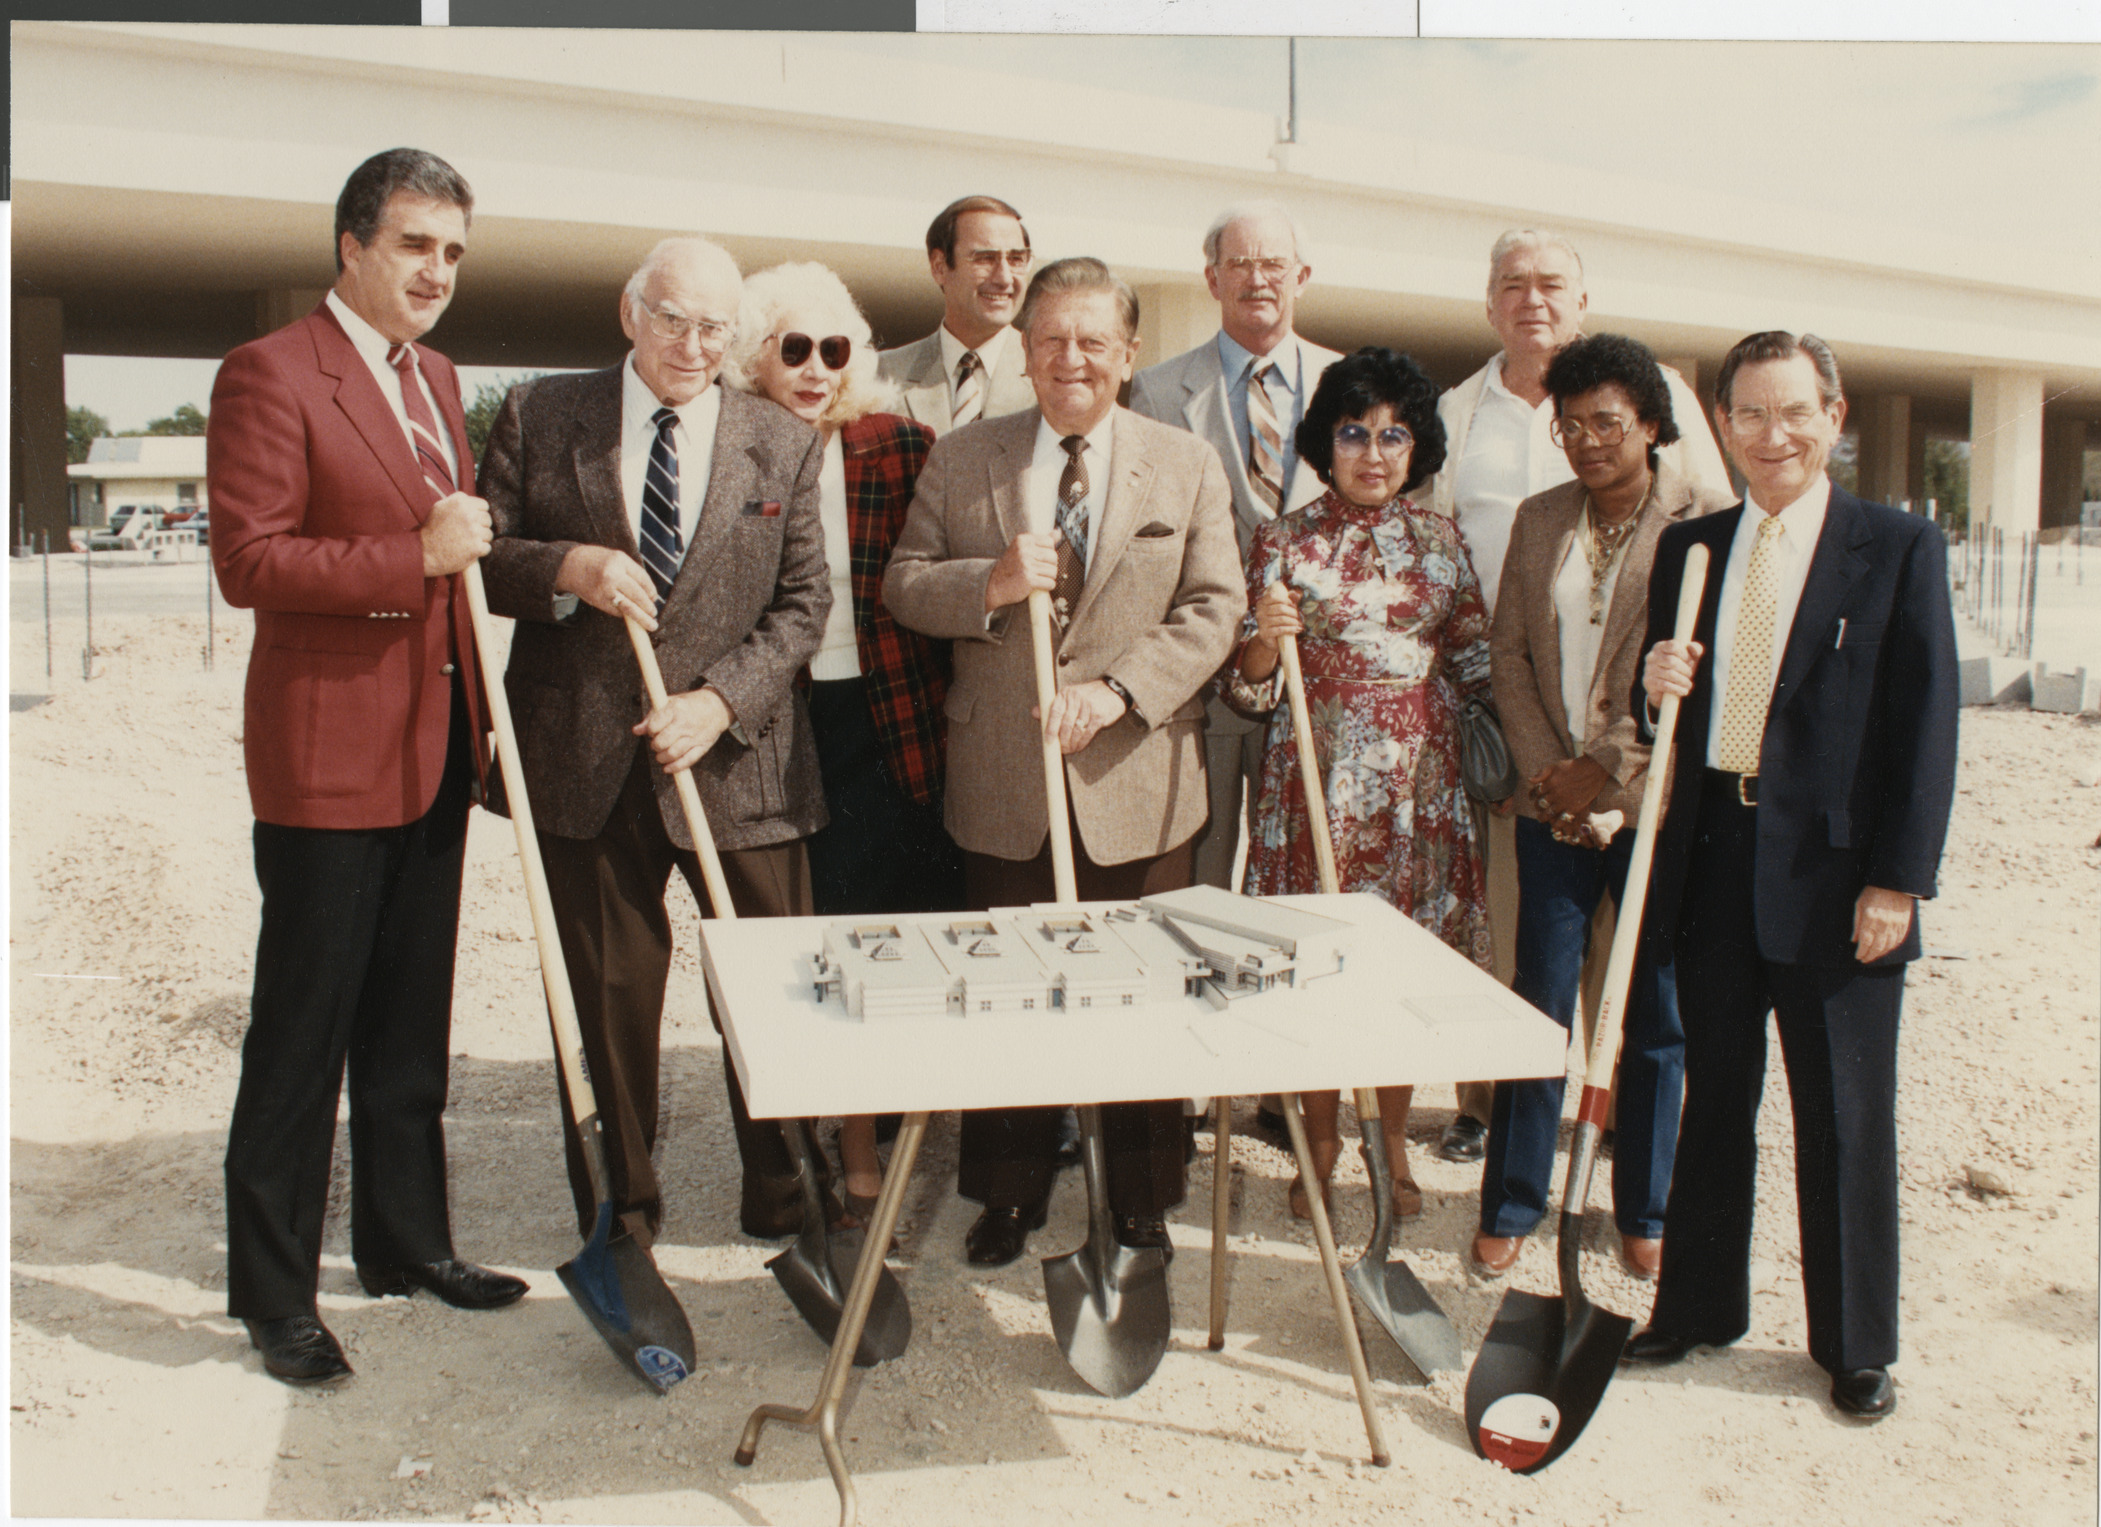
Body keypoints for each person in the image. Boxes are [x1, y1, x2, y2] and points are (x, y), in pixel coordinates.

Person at [209, 148, 524, 1387]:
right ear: (350, 247)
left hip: (433, 754)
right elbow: (252, 561)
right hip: (327, 764)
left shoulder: (439, 378)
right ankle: (275, 1294)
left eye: (451, 251)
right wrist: (418, 555)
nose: (435, 272)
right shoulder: (270, 373)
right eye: (413, 245)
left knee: (409, 1029)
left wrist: (479, 732)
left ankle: (407, 1245)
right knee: (302, 1038)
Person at [883, 256, 1245, 1266]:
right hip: (1004, 783)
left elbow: (1215, 607)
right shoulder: (965, 458)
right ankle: (1007, 1193)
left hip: (1138, 784)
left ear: (1129, 355)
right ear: (1023, 350)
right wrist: (991, 584)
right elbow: (905, 586)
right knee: (1008, 995)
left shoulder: (1185, 463)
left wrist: (1120, 690)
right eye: (1049, 340)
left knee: (1138, 998)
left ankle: (1135, 1199)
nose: (1069, 359)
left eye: (1093, 340)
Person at [1627, 331, 1958, 1421]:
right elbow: (1666, 717)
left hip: (1837, 880)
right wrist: (1651, 683)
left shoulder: (1896, 547)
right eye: (1751, 416)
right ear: (1722, 424)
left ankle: (1855, 1344)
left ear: (1836, 416)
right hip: (1715, 860)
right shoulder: (1692, 548)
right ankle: (1696, 1308)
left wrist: (1898, 882)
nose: (1774, 437)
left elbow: (1924, 727)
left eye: (1795, 413)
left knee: (1844, 1115)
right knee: (1712, 1099)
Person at [478, 236, 830, 1249]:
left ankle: (783, 1196)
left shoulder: (783, 439)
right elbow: (482, 558)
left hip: (739, 766)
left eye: (715, 327)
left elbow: (804, 606)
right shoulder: (542, 416)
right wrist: (570, 567)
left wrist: (720, 700)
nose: (692, 344)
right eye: (672, 318)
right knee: (608, 1001)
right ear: (630, 312)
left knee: (770, 996)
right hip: (586, 764)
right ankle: (620, 1211)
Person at [1424, 228, 1731, 1167]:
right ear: (1487, 304)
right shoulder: (1458, 409)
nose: (1533, 300)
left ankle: (1619, 1131)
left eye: (1552, 284)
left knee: (1632, 964)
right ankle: (1490, 1110)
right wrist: (1543, 758)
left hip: (1637, 742)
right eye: (1511, 285)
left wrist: (1609, 759)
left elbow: (1705, 571)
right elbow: (1447, 557)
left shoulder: (1658, 393)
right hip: (1511, 725)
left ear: (1583, 300)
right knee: (1521, 942)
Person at [1471, 333, 1733, 1280]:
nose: (1586, 441)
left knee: (1652, 1012)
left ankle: (1646, 1208)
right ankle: (1511, 1200)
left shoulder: (1704, 521)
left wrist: (1606, 766)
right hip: (1553, 807)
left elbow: (1694, 670)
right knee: (1539, 1001)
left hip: (1652, 802)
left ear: (1653, 427)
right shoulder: (1542, 519)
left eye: (1606, 423)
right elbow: (1508, 652)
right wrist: (1552, 774)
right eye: (1569, 423)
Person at [1222, 347, 1489, 1220]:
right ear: (1323, 442)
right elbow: (1249, 690)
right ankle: (1318, 1148)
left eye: (1392, 435)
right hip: (1315, 786)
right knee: (1320, 973)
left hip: (1419, 790)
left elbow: (1476, 662)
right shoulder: (1283, 541)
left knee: (1398, 973)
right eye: (1353, 433)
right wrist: (1263, 636)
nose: (1373, 453)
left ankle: (1389, 1154)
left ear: (1416, 448)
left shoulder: (1444, 544)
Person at [721, 260, 963, 1222]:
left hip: (883, 717)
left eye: (833, 349)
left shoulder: (899, 443)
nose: (815, 368)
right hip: (773, 724)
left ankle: (867, 1142)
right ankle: (818, 1144)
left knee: (877, 935)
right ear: (757, 355)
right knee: (799, 939)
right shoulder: (727, 445)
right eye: (792, 348)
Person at [1129, 201, 1342, 892]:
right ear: (1211, 278)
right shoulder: (1156, 393)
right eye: (1239, 262)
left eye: (1273, 263)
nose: (1257, 277)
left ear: (1302, 276)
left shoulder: (1350, 388)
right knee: (1202, 876)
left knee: (1309, 872)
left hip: (1322, 675)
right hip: (1207, 677)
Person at [878, 195, 1038, 436]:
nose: (1004, 278)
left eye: (1016, 259)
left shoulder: (1052, 374)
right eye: (985, 258)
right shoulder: (881, 374)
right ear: (939, 267)